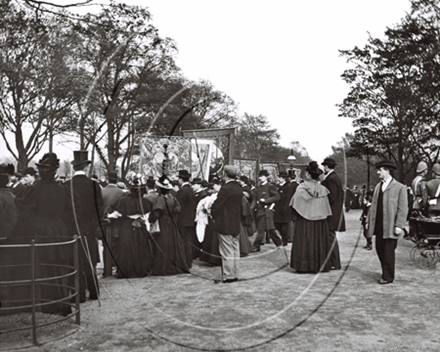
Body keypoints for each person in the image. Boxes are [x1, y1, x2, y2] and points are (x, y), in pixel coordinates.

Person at [11, 153, 80, 315]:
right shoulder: (64, 190)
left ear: (41, 171)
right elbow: (73, 213)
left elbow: (23, 216)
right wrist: (67, 228)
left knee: (44, 270)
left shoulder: (33, 191)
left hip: (41, 234)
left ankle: (48, 307)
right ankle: (62, 305)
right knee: (61, 268)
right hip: (61, 232)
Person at [64, 150, 103, 302]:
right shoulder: (94, 185)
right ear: (86, 168)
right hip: (89, 230)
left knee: (75, 262)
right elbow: (99, 209)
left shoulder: (67, 185)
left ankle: (79, 295)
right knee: (90, 261)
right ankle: (94, 293)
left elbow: (65, 210)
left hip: (73, 230)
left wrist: (73, 227)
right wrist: (91, 226)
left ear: (74, 168)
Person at [366, 159, 408, 285]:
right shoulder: (378, 186)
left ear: (387, 171)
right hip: (378, 225)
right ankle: (385, 272)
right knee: (379, 249)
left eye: (380, 170)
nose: (378, 172)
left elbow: (403, 208)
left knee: (389, 251)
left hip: (390, 226)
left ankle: (388, 276)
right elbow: (373, 206)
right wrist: (368, 221)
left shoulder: (400, 187)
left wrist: (399, 225)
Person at [107, 172, 153, 278]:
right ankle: (140, 269)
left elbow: (114, 214)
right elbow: (148, 215)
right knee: (141, 246)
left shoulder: (123, 201)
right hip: (141, 225)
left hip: (127, 226)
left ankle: (126, 270)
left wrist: (110, 217)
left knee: (126, 247)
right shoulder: (145, 201)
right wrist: (140, 219)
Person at [290, 161, 333, 273]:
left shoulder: (301, 188)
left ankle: (304, 266)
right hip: (320, 221)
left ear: (308, 175)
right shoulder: (323, 189)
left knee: (304, 242)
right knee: (319, 242)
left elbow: (294, 205)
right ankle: (320, 265)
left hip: (304, 221)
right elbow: (326, 207)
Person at [149, 175, 189, 275]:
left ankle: (164, 267)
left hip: (163, 223)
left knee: (163, 244)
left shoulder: (160, 199)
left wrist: (151, 220)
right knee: (173, 243)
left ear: (160, 189)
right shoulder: (173, 198)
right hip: (172, 223)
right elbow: (178, 210)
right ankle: (174, 266)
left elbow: (157, 212)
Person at [211, 165, 243, 283]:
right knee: (235, 249)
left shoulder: (225, 189)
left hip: (224, 223)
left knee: (226, 251)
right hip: (235, 223)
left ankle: (228, 275)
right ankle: (235, 274)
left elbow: (217, 206)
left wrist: (213, 215)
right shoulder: (239, 188)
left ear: (225, 174)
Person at [321, 157, 344, 270]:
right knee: (330, 237)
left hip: (330, 213)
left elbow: (332, 197)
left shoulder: (331, 179)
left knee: (330, 238)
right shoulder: (334, 177)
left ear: (326, 166)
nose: (323, 168)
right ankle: (334, 261)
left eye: (324, 166)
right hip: (333, 212)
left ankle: (335, 262)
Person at [251, 169, 283, 252]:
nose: (260, 178)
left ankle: (256, 246)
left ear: (266, 177)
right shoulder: (258, 187)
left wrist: (266, 201)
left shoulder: (270, 186)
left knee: (261, 229)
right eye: (259, 176)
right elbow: (255, 198)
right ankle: (279, 243)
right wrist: (251, 208)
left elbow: (277, 197)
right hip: (259, 211)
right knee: (270, 229)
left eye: (262, 176)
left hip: (267, 211)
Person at [176, 169, 196, 269]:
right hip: (189, 220)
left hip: (182, 221)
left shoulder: (182, 191)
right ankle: (188, 262)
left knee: (182, 242)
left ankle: (183, 263)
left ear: (180, 179)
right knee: (188, 242)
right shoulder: (191, 190)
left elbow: (178, 207)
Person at [199, 178, 222, 266]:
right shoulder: (213, 195)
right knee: (210, 238)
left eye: (215, 185)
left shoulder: (219, 195)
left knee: (215, 239)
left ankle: (214, 259)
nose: (214, 187)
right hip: (211, 218)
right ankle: (209, 258)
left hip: (216, 218)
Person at [274, 170, 296, 246]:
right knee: (277, 225)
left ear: (283, 178)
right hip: (278, 209)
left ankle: (285, 240)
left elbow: (288, 198)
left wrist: (285, 208)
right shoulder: (278, 186)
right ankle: (282, 239)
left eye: (279, 177)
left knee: (284, 227)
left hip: (284, 210)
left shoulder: (288, 187)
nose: (278, 179)